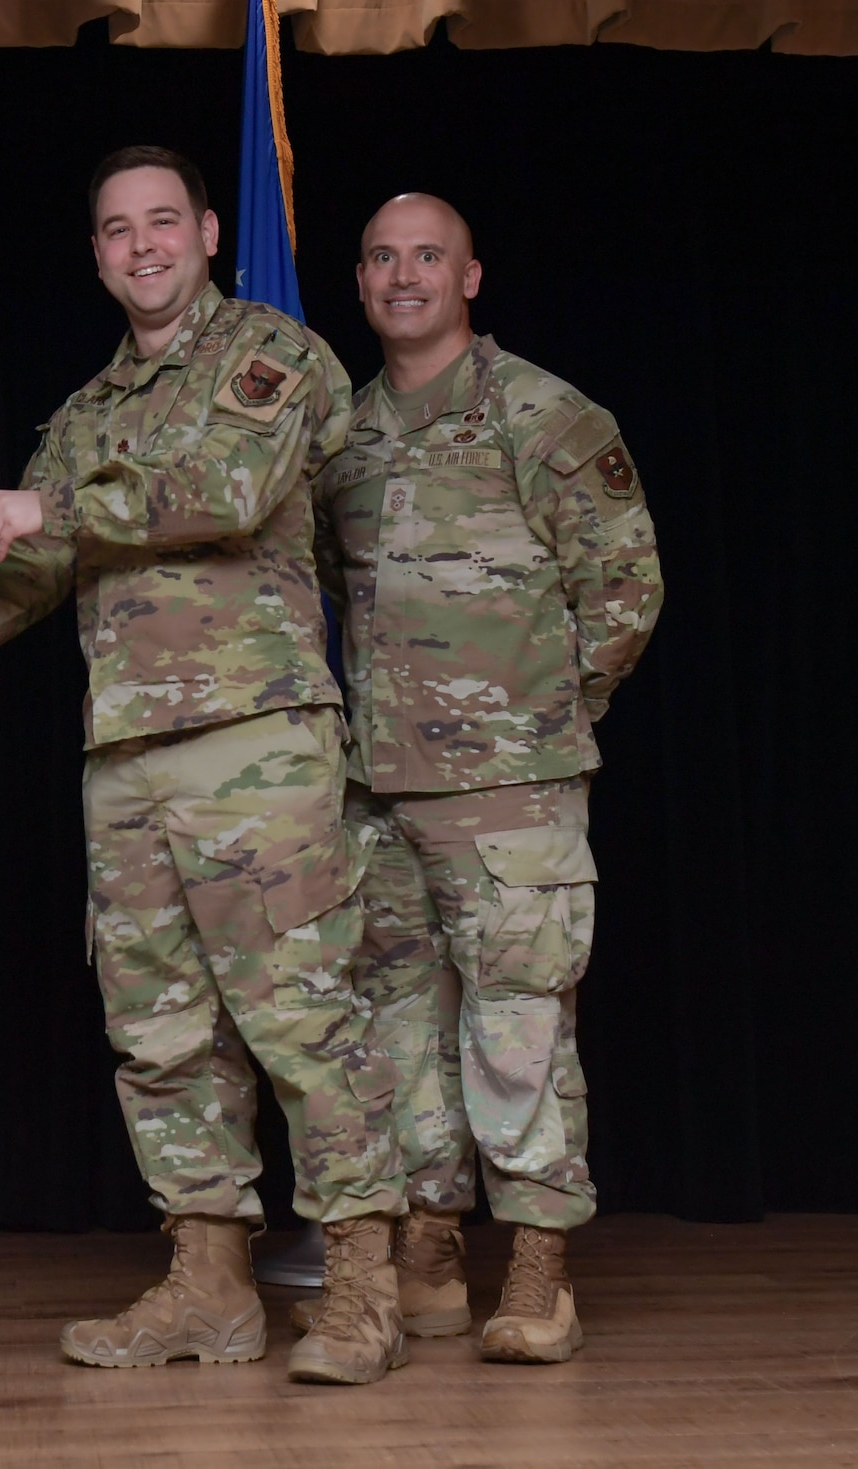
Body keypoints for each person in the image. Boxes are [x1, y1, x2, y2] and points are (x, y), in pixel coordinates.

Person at [0, 146, 410, 1387]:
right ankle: (208, 1285)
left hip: (254, 741)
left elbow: (227, 489)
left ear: (205, 229)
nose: (141, 245)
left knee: (302, 1018)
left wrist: (49, 509)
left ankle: (359, 1286)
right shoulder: (80, 419)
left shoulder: (273, 355)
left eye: (161, 222)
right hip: (124, 760)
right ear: (94, 253)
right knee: (162, 1033)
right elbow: (18, 585)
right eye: (116, 229)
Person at [292, 193, 663, 1363]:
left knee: (515, 1025)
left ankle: (540, 1268)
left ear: (469, 277)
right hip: (377, 790)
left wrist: (546, 718)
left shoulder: (543, 415)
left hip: (512, 790)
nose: (403, 276)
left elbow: (625, 583)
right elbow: (319, 595)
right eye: (382, 258)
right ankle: (432, 1249)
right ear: (357, 283)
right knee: (399, 1026)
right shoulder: (340, 435)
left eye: (427, 258)